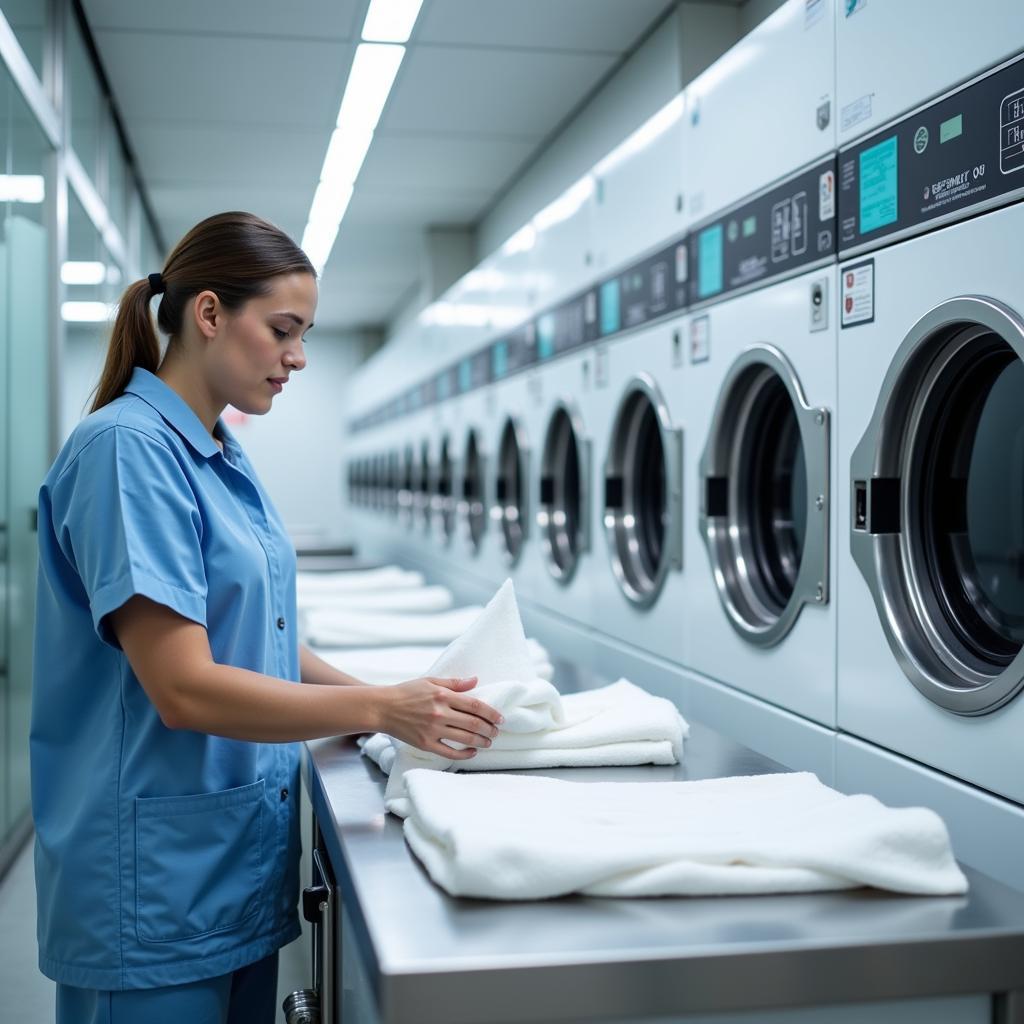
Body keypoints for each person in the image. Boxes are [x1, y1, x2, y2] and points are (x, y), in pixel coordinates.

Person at [30, 211, 503, 1024]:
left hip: (226, 868)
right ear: (210, 314)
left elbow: (266, 638)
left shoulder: (218, 450)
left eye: (307, 333)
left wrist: (390, 701)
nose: (299, 357)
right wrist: (379, 708)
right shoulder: (126, 451)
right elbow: (185, 688)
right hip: (151, 891)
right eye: (284, 330)